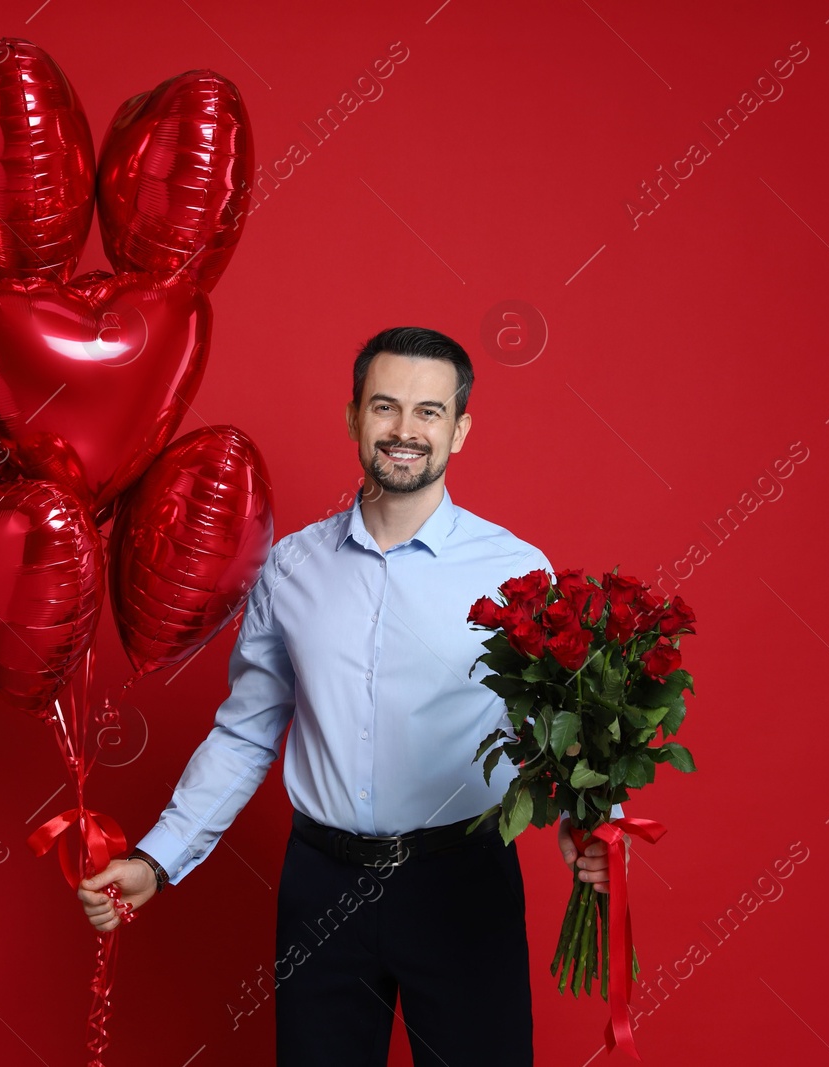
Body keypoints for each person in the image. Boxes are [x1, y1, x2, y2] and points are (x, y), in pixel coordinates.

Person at [77, 326, 624, 1066]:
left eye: (429, 412)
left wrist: (592, 824)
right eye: (385, 407)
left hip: (462, 881)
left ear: (460, 429)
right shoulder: (290, 567)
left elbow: (555, 722)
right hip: (321, 887)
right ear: (353, 417)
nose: (405, 431)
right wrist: (156, 858)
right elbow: (244, 733)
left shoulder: (517, 569)